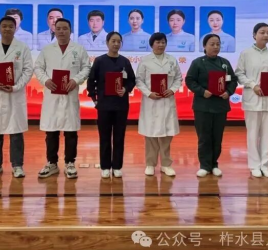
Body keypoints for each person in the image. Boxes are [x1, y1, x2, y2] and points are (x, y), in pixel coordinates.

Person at [34, 18, 91, 179]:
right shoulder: (47, 50)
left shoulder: (78, 49)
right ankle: (51, 163)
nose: (61, 31)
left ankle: (70, 163)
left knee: (71, 132)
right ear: (54, 30)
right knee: (51, 132)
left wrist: (76, 80)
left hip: (70, 95)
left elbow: (86, 67)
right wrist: (46, 80)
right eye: (58, 28)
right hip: (52, 96)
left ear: (70, 31)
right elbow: (38, 67)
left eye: (65, 28)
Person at [0, 16, 34, 178]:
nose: (7, 29)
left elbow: (28, 70)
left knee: (16, 133)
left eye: (11, 26)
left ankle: (17, 165)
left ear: (15, 28)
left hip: (14, 96)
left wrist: (16, 87)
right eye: (4, 26)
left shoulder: (22, 48)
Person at [235, 23, 268, 178]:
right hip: (253, 98)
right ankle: (254, 165)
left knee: (267, 134)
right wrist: (253, 85)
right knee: (252, 134)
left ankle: (265, 165)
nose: (265, 35)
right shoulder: (246, 53)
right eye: (262, 32)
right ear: (254, 35)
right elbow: (239, 74)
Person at [186, 34, 237, 177]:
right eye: (212, 44)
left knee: (217, 137)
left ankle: (214, 164)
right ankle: (204, 165)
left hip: (220, 105)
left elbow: (233, 80)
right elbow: (190, 81)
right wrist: (202, 91)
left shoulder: (224, 63)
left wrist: (228, 92)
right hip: (203, 105)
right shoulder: (198, 63)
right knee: (204, 137)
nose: (215, 47)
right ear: (204, 46)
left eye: (218, 44)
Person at [87, 32, 136, 178]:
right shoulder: (100, 61)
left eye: (118, 41)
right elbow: (91, 80)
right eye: (113, 41)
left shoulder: (125, 62)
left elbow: (132, 80)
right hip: (104, 105)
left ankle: (117, 166)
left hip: (121, 105)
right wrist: (94, 99)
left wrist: (125, 89)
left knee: (119, 136)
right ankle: (105, 166)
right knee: (105, 136)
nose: (116, 44)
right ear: (107, 42)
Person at [136, 32, 182, 177]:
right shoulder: (145, 61)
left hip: (167, 101)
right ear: (152, 44)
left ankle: (166, 164)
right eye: (158, 42)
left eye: (163, 42)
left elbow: (178, 78)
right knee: (151, 135)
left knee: (167, 135)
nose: (161, 45)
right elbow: (139, 80)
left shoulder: (172, 60)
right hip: (151, 101)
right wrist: (148, 93)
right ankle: (150, 164)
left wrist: (172, 90)